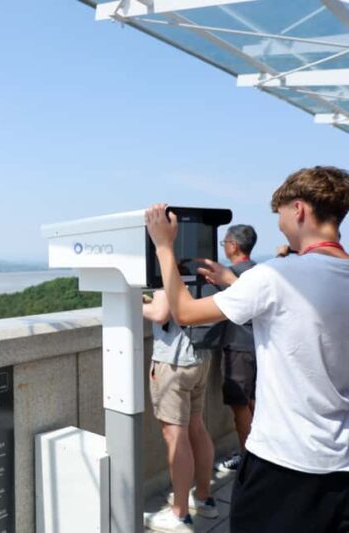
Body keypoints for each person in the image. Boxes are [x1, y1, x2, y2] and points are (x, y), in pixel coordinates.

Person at [145, 166, 349, 533]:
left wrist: (163, 246)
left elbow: (184, 312)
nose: (280, 225)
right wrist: (232, 281)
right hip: (340, 465)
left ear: (299, 210)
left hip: (283, 464)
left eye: (280, 215)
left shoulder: (276, 276)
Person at [143, 290, 219, 532]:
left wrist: (132, 302)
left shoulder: (169, 274)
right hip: (200, 356)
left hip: (174, 362)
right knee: (197, 426)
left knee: (176, 436)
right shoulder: (194, 272)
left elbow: (160, 313)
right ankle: (204, 498)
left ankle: (180, 513)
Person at [214, 225, 258, 473]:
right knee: (253, 404)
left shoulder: (229, 276)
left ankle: (247, 461)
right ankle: (256, 457)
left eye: (224, 243)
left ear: (233, 245)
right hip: (259, 346)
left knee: (240, 406)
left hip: (238, 347)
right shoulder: (260, 272)